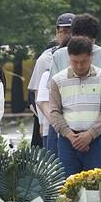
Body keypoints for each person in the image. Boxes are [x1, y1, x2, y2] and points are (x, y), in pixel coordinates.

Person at [47, 36, 101, 174]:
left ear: (91, 57)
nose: (79, 66)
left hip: (96, 140)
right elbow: (54, 111)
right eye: (75, 61)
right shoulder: (57, 80)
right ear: (69, 58)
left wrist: (90, 134)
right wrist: (70, 135)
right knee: (68, 184)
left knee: (97, 183)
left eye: (84, 61)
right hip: (67, 141)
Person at [29, 14, 75, 151]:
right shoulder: (46, 58)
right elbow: (38, 94)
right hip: (51, 123)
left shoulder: (87, 55)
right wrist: (42, 122)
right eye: (64, 32)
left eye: (71, 32)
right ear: (57, 32)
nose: (68, 36)